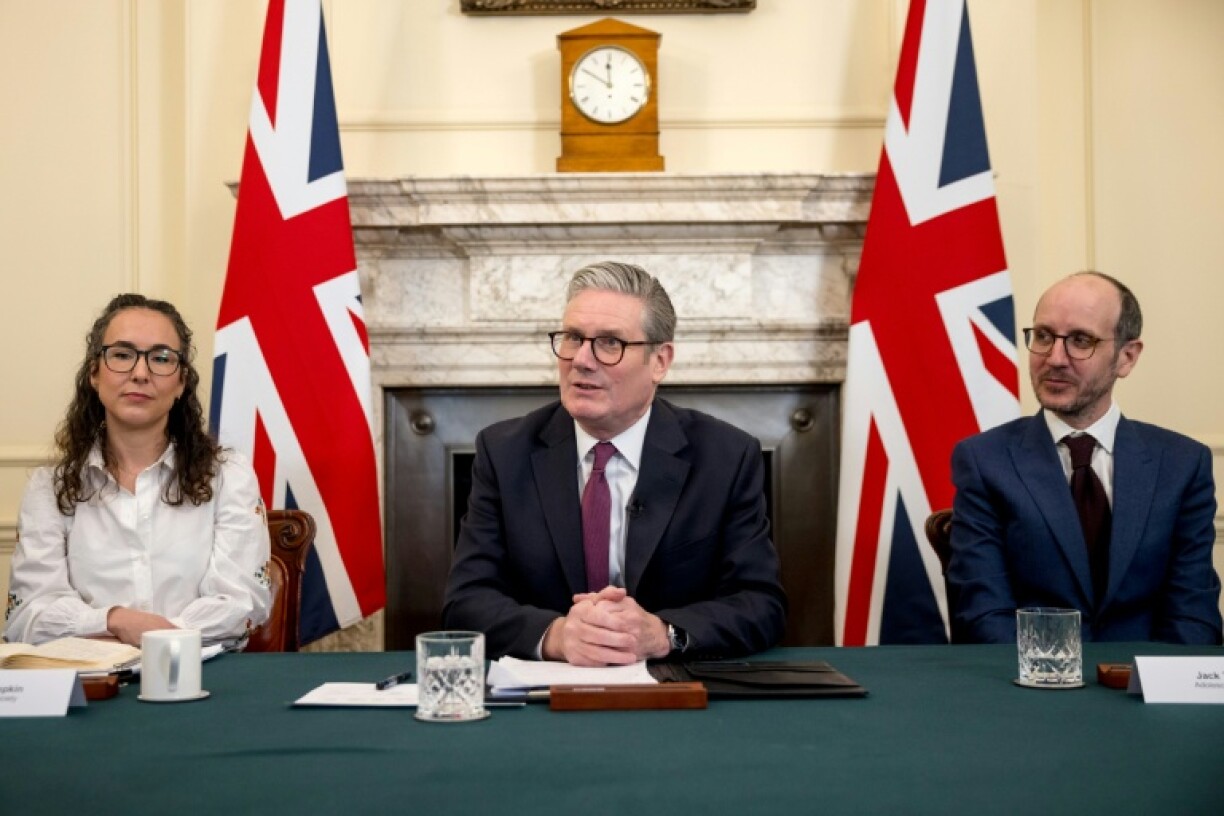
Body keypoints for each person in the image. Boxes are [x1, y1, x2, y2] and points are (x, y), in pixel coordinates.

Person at [443, 261, 787, 665]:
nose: (581, 360)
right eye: (573, 337)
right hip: (545, 695)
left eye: (610, 343)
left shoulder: (725, 457)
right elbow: (465, 601)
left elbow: (761, 604)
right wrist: (558, 636)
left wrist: (662, 634)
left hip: (674, 698)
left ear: (660, 361)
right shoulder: (505, 452)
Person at [948, 271, 1222, 644]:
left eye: (1081, 341)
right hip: (1032, 689)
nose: (1055, 358)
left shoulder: (1182, 465)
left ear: (1126, 357)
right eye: (1043, 336)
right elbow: (983, 616)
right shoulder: (984, 462)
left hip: (1146, 690)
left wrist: (1153, 690)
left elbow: (1193, 615)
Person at [4, 294, 271, 646]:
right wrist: (115, 620)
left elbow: (242, 604)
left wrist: (143, 637)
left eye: (161, 358)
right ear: (94, 375)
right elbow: (29, 615)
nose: (140, 373)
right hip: (93, 687)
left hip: (204, 678)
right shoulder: (49, 488)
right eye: (122, 355)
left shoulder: (228, 476)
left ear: (180, 384)